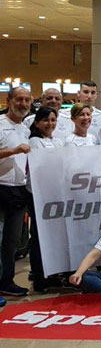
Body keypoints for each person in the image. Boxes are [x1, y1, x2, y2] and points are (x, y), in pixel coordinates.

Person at [0, 87, 33, 301]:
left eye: (27, 100)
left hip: (18, 189)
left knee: (11, 241)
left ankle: (6, 282)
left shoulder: (25, 129)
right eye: (19, 99)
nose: (23, 104)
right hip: (0, 186)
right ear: (9, 101)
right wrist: (13, 151)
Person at [27, 106, 64, 292]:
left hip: (55, 194)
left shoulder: (58, 141)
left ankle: (53, 273)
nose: (50, 124)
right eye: (46, 120)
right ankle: (39, 276)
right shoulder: (34, 142)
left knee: (53, 236)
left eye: (53, 120)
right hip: (38, 195)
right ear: (37, 123)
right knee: (39, 236)